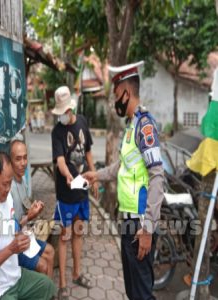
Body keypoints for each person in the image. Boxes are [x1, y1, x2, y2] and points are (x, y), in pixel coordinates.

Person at [84, 61, 164, 300]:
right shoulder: (131, 126)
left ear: (127, 93)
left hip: (140, 225)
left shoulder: (145, 126)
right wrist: (96, 175)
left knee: (141, 294)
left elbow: (157, 176)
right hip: (128, 222)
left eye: (116, 95)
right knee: (133, 292)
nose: (114, 101)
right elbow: (123, 166)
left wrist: (148, 228)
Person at [0, 152, 56, 300]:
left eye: (10, 183)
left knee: (48, 286)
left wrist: (23, 233)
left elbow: (12, 228)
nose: (8, 189)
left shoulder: (7, 198)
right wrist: (12, 248)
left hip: (17, 276)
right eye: (4, 184)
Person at [51, 86, 98, 300]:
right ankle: (62, 286)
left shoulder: (82, 122)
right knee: (64, 236)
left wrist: (94, 175)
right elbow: (60, 160)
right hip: (66, 192)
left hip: (82, 191)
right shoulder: (57, 132)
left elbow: (87, 150)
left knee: (78, 232)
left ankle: (77, 274)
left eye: (64, 111)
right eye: (59, 112)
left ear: (71, 108)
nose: (62, 116)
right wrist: (66, 175)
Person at [10, 139, 55, 278]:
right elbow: (10, 229)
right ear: (10, 161)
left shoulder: (22, 181)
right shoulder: (8, 188)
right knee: (43, 265)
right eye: (18, 159)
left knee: (51, 251)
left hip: (25, 235)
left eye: (25, 158)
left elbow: (24, 209)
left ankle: (48, 292)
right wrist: (29, 216)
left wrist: (33, 209)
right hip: (13, 244)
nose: (23, 163)